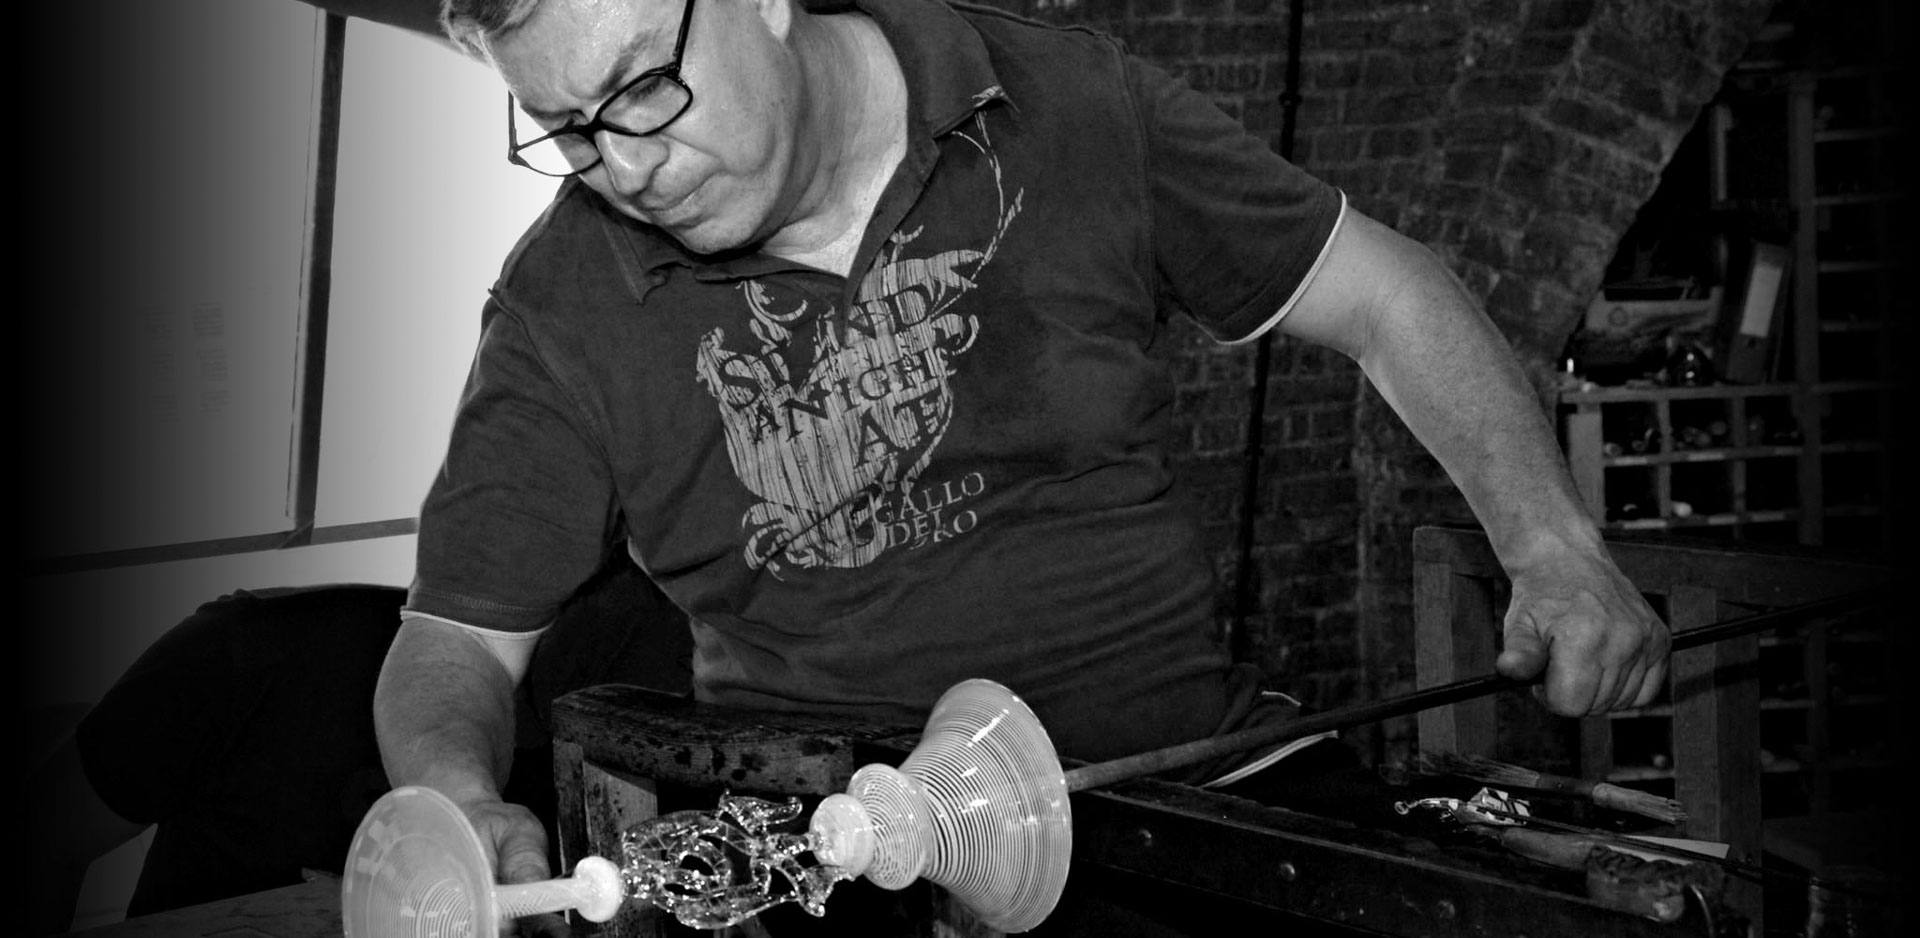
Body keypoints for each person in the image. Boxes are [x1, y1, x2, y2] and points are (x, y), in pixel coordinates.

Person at [373, 0, 1671, 930]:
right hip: (847, 863)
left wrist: (1550, 543)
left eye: (642, 89)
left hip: (1195, 807)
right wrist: (449, 789)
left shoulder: (1064, 104)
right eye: (570, 129)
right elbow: (454, 645)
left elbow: (1385, 294)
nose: (630, 164)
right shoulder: (562, 306)